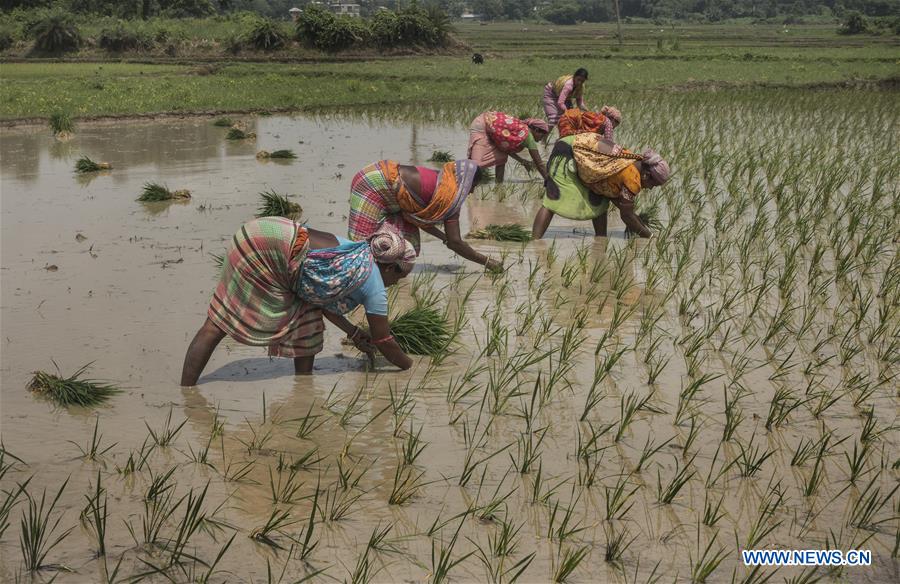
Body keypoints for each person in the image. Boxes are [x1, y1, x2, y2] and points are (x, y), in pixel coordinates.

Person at [180, 219, 416, 385]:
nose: (395, 283)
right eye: (398, 276)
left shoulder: (354, 253)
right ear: (389, 266)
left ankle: (303, 388)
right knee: (218, 325)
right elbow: (384, 340)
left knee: (308, 318)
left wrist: (353, 333)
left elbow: (318, 301)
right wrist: (409, 367)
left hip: (261, 230)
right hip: (267, 250)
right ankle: (186, 394)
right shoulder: (373, 283)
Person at [348, 159, 502, 273]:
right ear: (467, 182)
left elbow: (419, 220)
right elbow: (456, 242)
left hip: (393, 201)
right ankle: (353, 277)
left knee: (408, 245)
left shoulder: (444, 183)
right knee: (360, 247)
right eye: (473, 186)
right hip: (372, 183)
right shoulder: (449, 195)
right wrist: (488, 262)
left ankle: (385, 277)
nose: (472, 191)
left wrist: (444, 237)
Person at [531, 133, 670, 239]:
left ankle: (600, 240)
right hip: (569, 151)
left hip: (580, 149)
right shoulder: (632, 178)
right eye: (654, 184)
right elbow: (626, 216)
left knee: (601, 203)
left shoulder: (634, 160)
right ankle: (535, 242)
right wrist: (650, 236)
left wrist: (639, 223)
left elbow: (624, 206)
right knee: (553, 201)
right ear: (646, 175)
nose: (651, 188)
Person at [467, 111, 549, 183]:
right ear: (536, 131)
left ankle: (499, 185)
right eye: (542, 136)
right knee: (475, 165)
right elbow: (539, 164)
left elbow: (506, 150)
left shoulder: (522, 130)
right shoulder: (528, 136)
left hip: (490, 129)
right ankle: (463, 180)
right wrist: (550, 182)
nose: (541, 139)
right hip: (482, 124)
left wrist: (522, 161)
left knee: (501, 158)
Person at [557, 106, 622, 141]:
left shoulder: (598, 117)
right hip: (570, 122)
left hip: (564, 118)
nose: (614, 128)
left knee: (563, 143)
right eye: (616, 125)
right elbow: (609, 142)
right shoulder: (608, 122)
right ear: (613, 120)